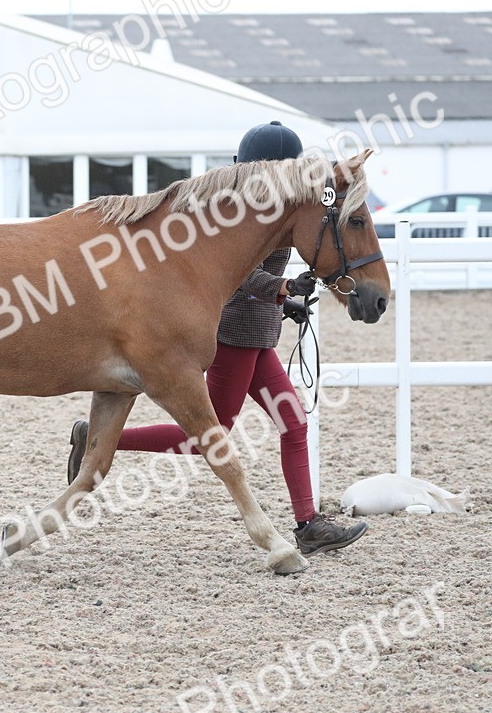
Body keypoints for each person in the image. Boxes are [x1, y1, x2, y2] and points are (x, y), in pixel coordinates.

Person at [65, 121, 367, 557]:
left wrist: (285, 303)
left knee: (293, 422)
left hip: (260, 334)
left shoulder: (278, 209)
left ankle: (308, 524)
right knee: (214, 431)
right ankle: (99, 436)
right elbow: (234, 273)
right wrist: (281, 289)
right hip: (231, 333)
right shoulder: (231, 214)